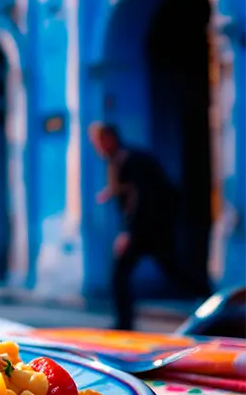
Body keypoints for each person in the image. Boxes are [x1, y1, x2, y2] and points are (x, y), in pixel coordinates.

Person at [89, 122, 211, 330]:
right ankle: (124, 322)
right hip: (148, 228)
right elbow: (131, 189)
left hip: (150, 228)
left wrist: (128, 232)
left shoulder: (131, 159)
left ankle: (212, 301)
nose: (97, 147)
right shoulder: (120, 160)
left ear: (109, 138)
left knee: (164, 272)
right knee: (168, 271)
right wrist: (112, 192)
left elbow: (141, 196)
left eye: (99, 142)